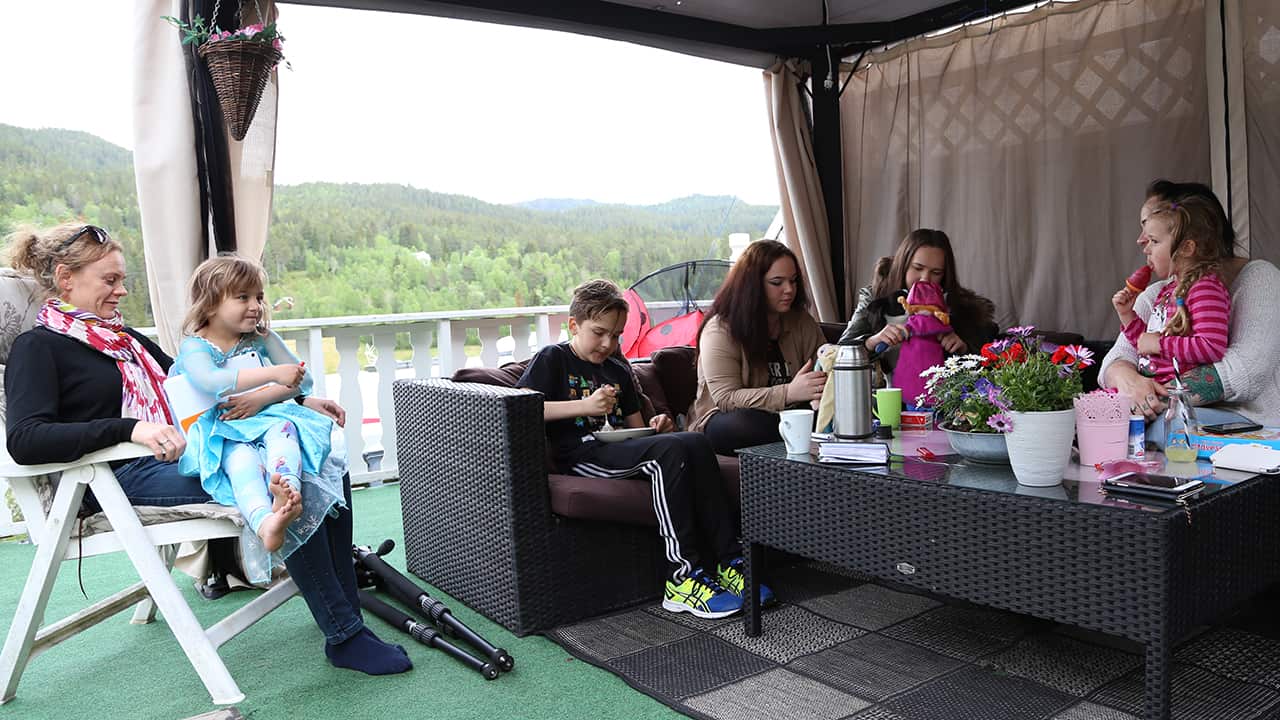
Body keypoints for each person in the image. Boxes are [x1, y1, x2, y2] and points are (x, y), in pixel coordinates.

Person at [3, 223, 411, 675]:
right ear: (66, 278)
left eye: (122, 279)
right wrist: (132, 428)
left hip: (181, 453)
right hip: (114, 478)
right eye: (110, 280)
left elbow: (202, 390)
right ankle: (345, 636)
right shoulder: (38, 348)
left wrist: (296, 402)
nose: (122, 290)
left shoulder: (125, 341)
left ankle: (344, 608)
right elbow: (25, 440)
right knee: (288, 482)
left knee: (323, 458)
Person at [517, 279, 772, 619]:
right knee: (667, 454)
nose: (608, 344)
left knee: (695, 441)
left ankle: (730, 562)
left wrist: (658, 428)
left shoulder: (616, 369)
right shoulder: (554, 359)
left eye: (616, 335)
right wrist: (584, 407)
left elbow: (635, 428)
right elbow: (520, 408)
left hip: (619, 449)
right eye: (599, 333)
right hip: (581, 456)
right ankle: (681, 578)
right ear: (574, 325)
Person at [171, 255, 347, 582]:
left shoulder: (262, 338)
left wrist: (261, 397)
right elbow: (210, 380)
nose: (255, 306)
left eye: (259, 297)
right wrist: (272, 374)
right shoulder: (196, 347)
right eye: (243, 297)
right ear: (210, 303)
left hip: (267, 417)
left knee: (285, 430)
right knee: (242, 462)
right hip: (223, 431)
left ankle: (286, 494)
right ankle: (265, 522)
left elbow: (303, 380)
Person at [1100, 180, 1280, 429]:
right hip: (1166, 413)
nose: (1141, 241)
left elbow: (1247, 370)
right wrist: (1129, 382)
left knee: (1165, 427)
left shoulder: (1258, 278)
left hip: (1246, 425)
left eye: (1153, 235)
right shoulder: (1158, 291)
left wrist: (1155, 398)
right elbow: (1118, 358)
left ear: (1188, 242)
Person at [689, 240, 828, 455]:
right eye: (777, 282)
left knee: (834, 413)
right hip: (729, 418)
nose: (789, 289)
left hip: (791, 413)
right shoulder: (719, 329)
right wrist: (788, 393)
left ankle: (805, 440)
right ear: (752, 285)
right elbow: (726, 399)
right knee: (744, 423)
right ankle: (801, 439)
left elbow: (824, 367)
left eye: (793, 281)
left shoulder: (801, 322)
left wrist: (822, 391)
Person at [838, 229, 996, 389]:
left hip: (940, 397)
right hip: (879, 397)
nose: (925, 278)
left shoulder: (960, 306)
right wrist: (873, 342)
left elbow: (988, 359)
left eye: (936, 272)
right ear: (903, 265)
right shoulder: (874, 295)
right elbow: (841, 351)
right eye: (917, 268)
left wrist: (963, 349)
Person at [1110, 195, 1231, 385]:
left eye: (1154, 241)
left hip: (1176, 394)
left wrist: (1159, 344)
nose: (1146, 249)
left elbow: (1211, 347)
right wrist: (1127, 316)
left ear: (1186, 248)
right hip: (1151, 385)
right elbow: (1145, 345)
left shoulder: (1205, 289)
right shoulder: (1168, 290)